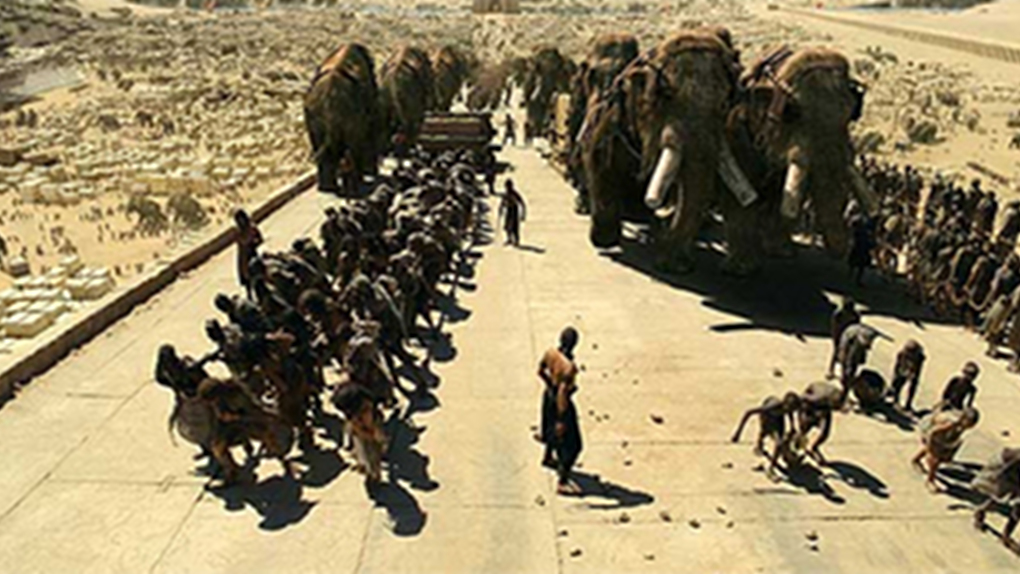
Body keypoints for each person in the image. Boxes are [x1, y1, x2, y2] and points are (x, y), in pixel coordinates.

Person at [537, 327, 583, 494]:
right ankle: (563, 481)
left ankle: (548, 456)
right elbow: (563, 393)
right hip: (560, 403)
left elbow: (540, 371)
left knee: (548, 428)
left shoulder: (550, 353)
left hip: (548, 396)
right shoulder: (569, 367)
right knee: (574, 445)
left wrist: (550, 385)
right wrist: (562, 419)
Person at [731, 392, 801, 480]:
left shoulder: (787, 409)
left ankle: (777, 459)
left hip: (778, 419)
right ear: (785, 404)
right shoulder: (773, 406)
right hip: (767, 416)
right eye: (791, 409)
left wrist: (792, 426)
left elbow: (789, 414)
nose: (792, 411)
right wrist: (738, 433)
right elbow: (749, 412)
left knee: (780, 441)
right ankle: (770, 468)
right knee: (768, 434)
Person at [912, 407, 980, 492]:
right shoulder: (951, 423)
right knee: (935, 457)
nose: (971, 426)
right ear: (964, 419)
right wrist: (930, 450)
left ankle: (915, 460)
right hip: (928, 428)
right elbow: (932, 433)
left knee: (940, 451)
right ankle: (930, 481)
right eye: (970, 423)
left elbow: (954, 439)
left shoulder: (961, 425)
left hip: (937, 432)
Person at [973, 446, 1020, 552]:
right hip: (1005, 467)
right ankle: (1005, 536)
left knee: (1007, 500)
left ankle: (981, 512)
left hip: (1012, 470)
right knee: (1001, 496)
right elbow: (1008, 468)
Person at [837, 323, 879, 401]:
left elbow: (864, 348)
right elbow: (847, 355)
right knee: (847, 366)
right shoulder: (850, 337)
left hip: (855, 343)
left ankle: (848, 381)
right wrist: (847, 368)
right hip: (848, 342)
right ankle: (845, 387)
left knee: (853, 366)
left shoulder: (867, 335)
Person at [827, 297, 861, 379]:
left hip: (849, 335)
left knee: (848, 354)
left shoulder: (855, 315)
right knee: (837, 352)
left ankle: (844, 373)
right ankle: (831, 370)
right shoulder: (838, 314)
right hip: (840, 334)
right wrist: (835, 337)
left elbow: (857, 326)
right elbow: (834, 326)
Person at [888, 340, 926, 413]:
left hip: (914, 366)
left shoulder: (919, 358)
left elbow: (916, 371)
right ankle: (895, 399)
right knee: (898, 381)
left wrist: (912, 373)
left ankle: (908, 404)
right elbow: (897, 368)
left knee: (913, 384)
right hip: (903, 367)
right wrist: (899, 374)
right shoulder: (901, 354)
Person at [234, 209, 263, 300]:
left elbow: (260, 239)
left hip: (251, 253)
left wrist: (253, 243)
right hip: (243, 256)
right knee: (246, 277)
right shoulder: (238, 231)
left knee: (256, 272)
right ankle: (249, 295)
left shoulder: (252, 227)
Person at [499, 179, 527, 247]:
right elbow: (502, 202)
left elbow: (522, 203)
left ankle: (516, 240)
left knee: (515, 226)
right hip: (509, 210)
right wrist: (501, 209)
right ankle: (509, 239)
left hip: (514, 210)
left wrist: (523, 214)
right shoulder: (506, 194)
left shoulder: (515, 194)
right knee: (507, 226)